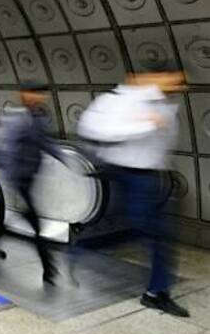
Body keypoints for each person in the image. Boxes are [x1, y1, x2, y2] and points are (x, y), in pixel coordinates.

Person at [78, 66, 189, 317]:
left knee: (157, 236)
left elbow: (161, 145)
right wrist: (146, 125)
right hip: (124, 173)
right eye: (172, 79)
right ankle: (82, 251)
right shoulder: (119, 100)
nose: (177, 87)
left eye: (179, 83)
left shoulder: (164, 105)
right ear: (146, 77)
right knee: (143, 230)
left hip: (150, 177)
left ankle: (156, 293)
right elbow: (95, 130)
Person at [0, 83, 64, 286]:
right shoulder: (17, 119)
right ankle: (49, 269)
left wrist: (67, 161)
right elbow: (5, 148)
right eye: (34, 93)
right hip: (19, 180)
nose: (39, 98)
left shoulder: (38, 118)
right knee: (36, 225)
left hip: (30, 178)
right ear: (23, 95)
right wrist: (12, 179)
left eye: (41, 95)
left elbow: (45, 143)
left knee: (23, 217)